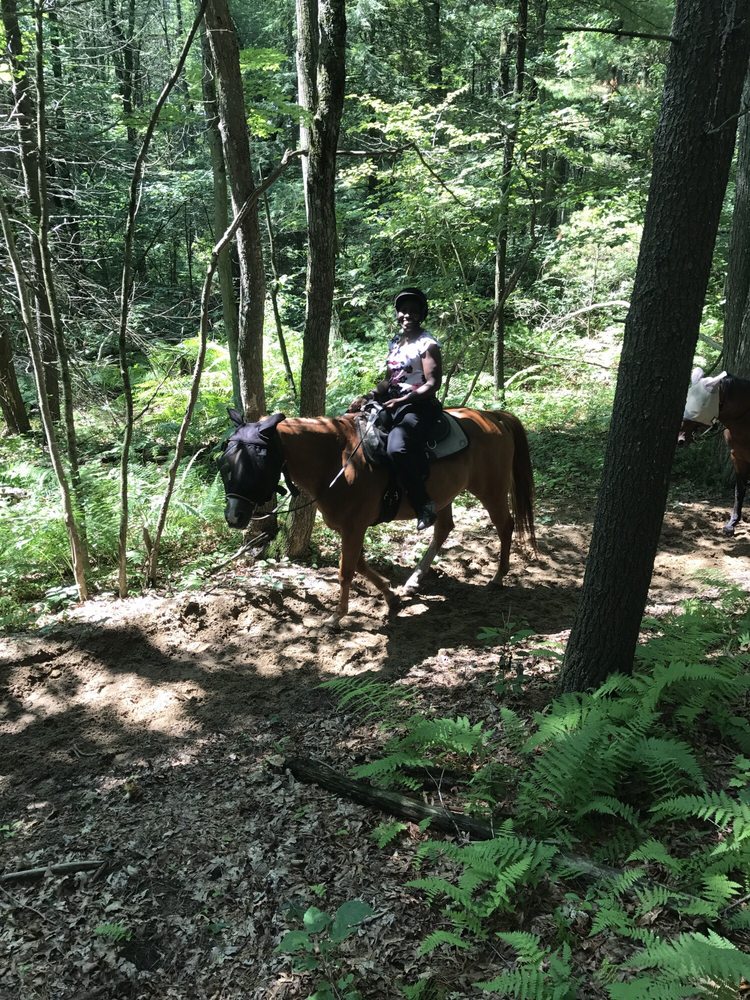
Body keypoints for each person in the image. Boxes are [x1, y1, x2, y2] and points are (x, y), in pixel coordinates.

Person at [352, 287, 443, 531]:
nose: (407, 315)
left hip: (417, 406)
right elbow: (389, 379)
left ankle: (423, 503)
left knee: (397, 447)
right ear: (397, 314)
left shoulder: (427, 343)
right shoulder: (396, 342)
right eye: (403, 310)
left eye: (413, 311)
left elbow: (433, 383)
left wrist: (403, 401)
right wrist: (369, 395)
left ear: (422, 314)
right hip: (391, 401)